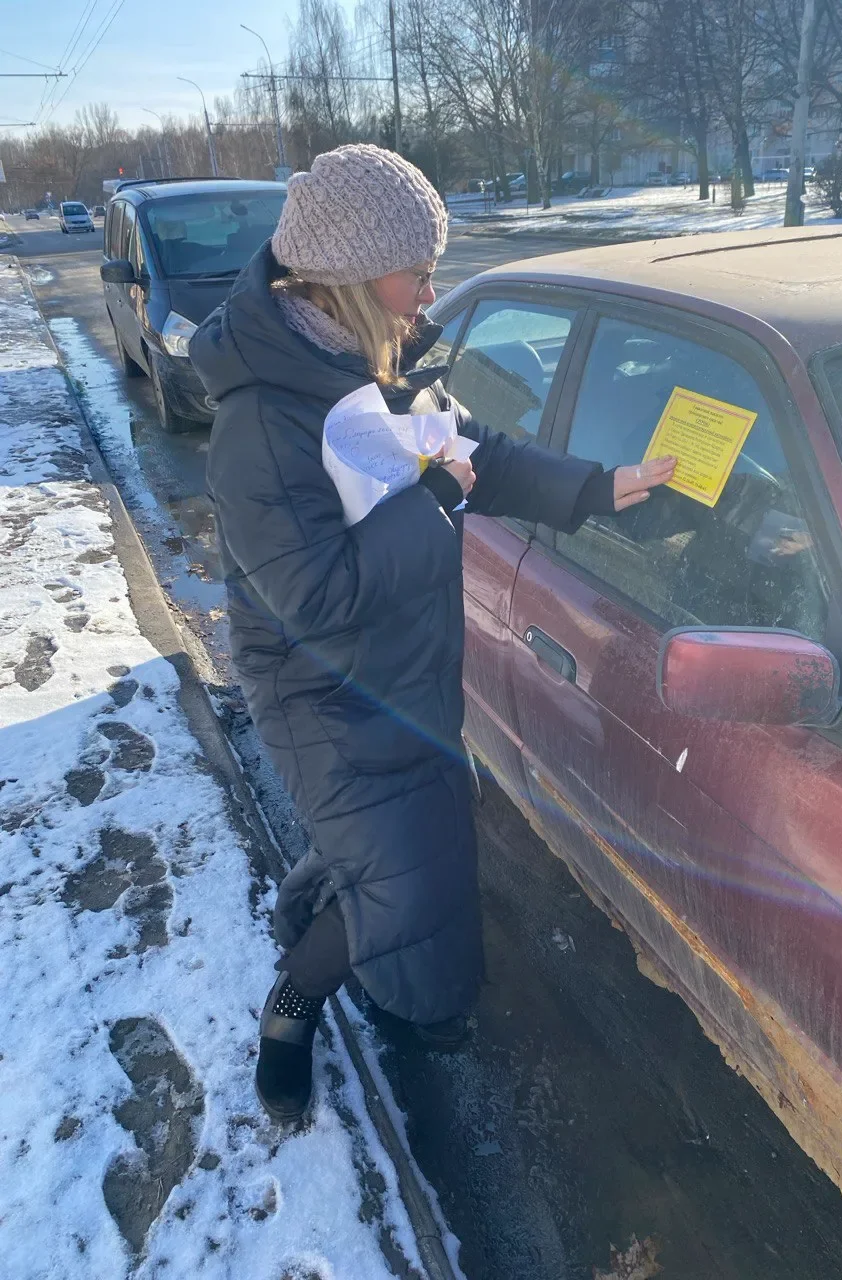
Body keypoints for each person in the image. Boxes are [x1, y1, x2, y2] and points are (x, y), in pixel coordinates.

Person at [189, 144, 676, 1123]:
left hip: (404, 667)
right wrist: (435, 502)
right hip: (321, 693)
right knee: (404, 883)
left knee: (409, 847)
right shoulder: (264, 421)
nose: (430, 292)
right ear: (354, 276)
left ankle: (339, 919)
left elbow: (474, 452)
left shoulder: (379, 365)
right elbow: (315, 594)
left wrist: (596, 487)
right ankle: (292, 1004)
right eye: (417, 272)